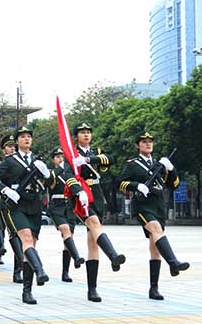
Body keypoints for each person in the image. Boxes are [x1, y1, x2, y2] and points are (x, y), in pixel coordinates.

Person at [116, 131, 189, 301]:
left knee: (155, 246)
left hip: (158, 205)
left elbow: (174, 185)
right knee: (155, 229)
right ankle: (173, 263)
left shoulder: (159, 165)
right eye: (144, 142)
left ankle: (154, 288)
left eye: (150, 142)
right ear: (137, 145)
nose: (148, 144)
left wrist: (171, 169)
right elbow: (119, 183)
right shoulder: (132, 164)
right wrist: (136, 186)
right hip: (142, 205)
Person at [0, 126, 51, 304]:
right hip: (17, 205)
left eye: (29, 136)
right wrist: (5, 190)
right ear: (17, 141)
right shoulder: (10, 161)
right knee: (26, 239)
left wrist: (46, 173)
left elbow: (50, 182)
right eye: (22, 136)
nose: (26, 139)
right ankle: (40, 271)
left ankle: (27, 291)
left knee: (31, 246)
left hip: (35, 204)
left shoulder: (38, 160)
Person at [63, 122, 126, 302]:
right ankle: (113, 255)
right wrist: (78, 192)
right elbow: (68, 177)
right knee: (94, 224)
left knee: (93, 243)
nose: (86, 135)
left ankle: (92, 289)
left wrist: (90, 160)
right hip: (81, 197)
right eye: (82, 133)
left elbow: (111, 159)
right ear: (76, 136)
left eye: (88, 133)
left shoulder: (96, 152)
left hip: (97, 196)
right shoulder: (72, 154)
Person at [44, 147, 84, 282]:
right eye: (57, 157)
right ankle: (76, 256)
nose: (60, 158)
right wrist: (62, 167)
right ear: (53, 160)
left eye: (62, 156)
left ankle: (65, 272)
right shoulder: (52, 173)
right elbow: (50, 182)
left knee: (68, 238)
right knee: (65, 230)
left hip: (69, 206)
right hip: (57, 207)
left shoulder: (70, 172)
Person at [0, 134, 25, 284]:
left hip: (22, 203)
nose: (12, 148)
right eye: (9, 146)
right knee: (14, 233)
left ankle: (19, 270)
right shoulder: (4, 164)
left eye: (13, 146)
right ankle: (20, 265)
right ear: (4, 150)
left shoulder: (22, 163)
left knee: (23, 236)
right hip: (7, 203)